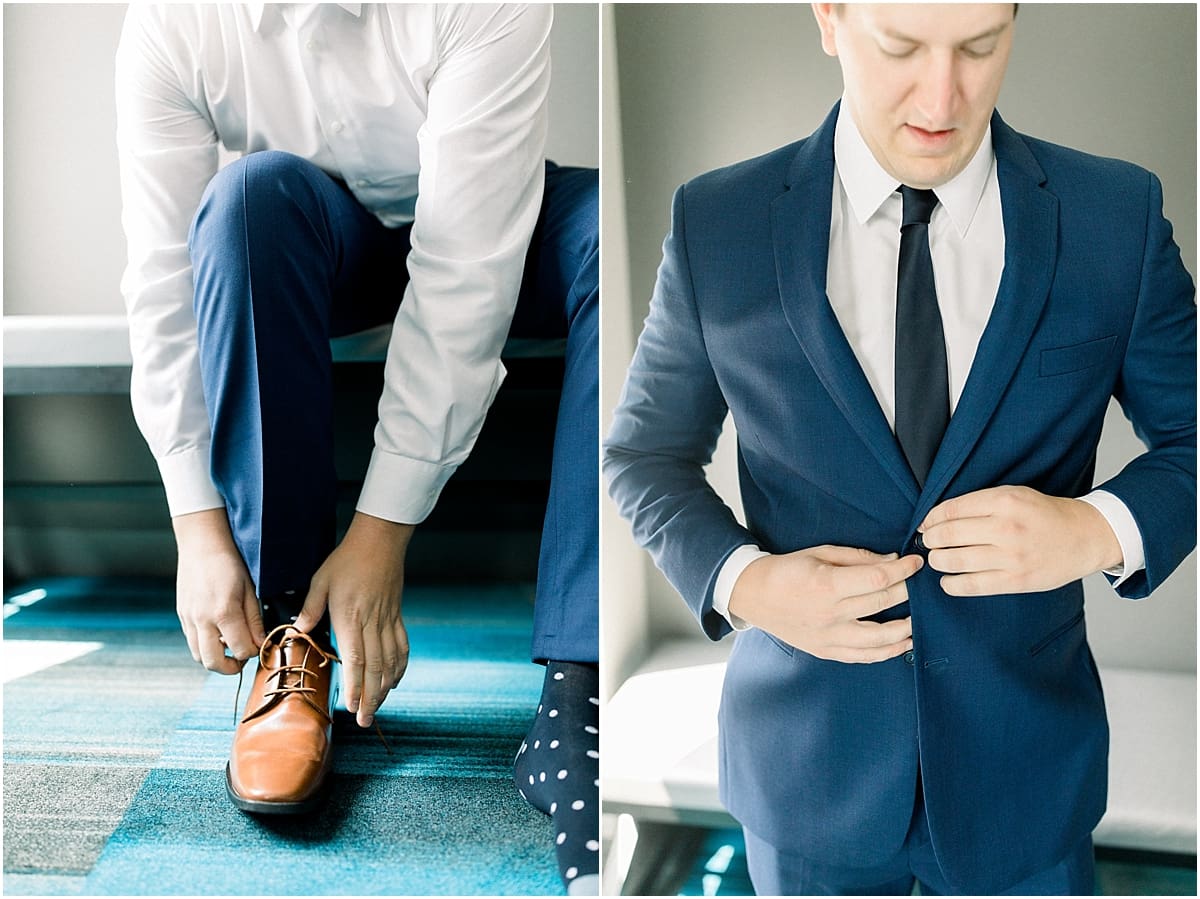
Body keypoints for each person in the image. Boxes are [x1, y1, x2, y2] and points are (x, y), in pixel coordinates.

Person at [604, 3, 1195, 895]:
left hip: (1026, 779)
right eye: (903, 47)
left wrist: (1093, 530)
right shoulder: (715, 223)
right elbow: (642, 455)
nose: (943, 93)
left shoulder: (1117, 217)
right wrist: (750, 584)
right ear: (831, 17)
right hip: (804, 777)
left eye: (980, 47)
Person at [115, 4, 598, 893]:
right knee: (244, 199)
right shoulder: (173, 21)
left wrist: (382, 533)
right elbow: (162, 278)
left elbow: (463, 267)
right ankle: (292, 640)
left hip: (490, 214)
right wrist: (195, 518)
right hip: (317, 235)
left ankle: (584, 677)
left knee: (626, 230)